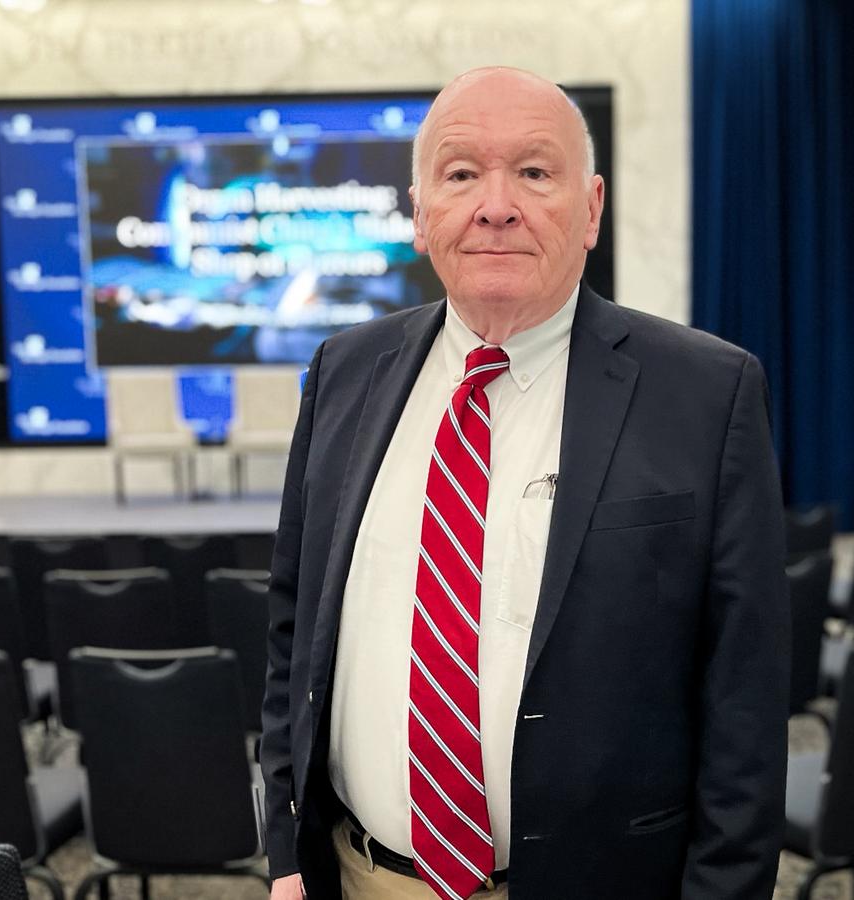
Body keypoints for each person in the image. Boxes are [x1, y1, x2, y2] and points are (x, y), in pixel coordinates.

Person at [261, 66, 789, 900]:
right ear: (418, 211)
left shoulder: (708, 392)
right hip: (364, 879)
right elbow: (295, 630)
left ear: (591, 209)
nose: (495, 205)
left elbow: (747, 701)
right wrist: (285, 849)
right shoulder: (343, 373)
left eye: (535, 173)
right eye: (461, 173)